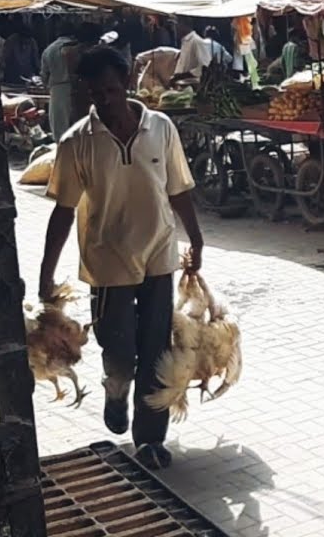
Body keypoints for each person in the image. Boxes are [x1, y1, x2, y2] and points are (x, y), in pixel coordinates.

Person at [39, 46, 203, 471]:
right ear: (87, 93)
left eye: (112, 89)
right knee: (119, 347)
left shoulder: (161, 128)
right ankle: (116, 390)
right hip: (108, 262)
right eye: (97, 93)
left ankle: (150, 438)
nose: (106, 100)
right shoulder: (76, 142)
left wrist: (196, 239)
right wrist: (46, 271)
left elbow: (179, 189)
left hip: (158, 256)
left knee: (155, 350)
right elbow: (63, 210)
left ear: (127, 83)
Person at [40, 22, 78, 138]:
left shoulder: (49, 50)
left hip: (56, 89)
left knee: (59, 126)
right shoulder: (75, 47)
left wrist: (46, 85)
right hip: (75, 87)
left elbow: (44, 74)